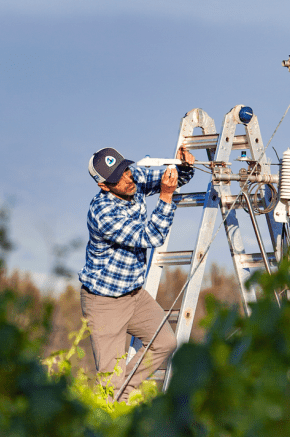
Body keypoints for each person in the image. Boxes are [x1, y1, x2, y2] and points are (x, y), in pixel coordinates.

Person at [79, 145, 195, 402]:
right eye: (117, 178)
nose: (127, 178)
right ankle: (114, 407)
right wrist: (165, 197)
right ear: (103, 186)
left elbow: (175, 179)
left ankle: (125, 393)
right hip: (104, 302)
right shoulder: (102, 213)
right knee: (110, 383)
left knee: (165, 343)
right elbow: (151, 236)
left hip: (133, 294)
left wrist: (184, 166)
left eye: (125, 169)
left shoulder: (133, 178)